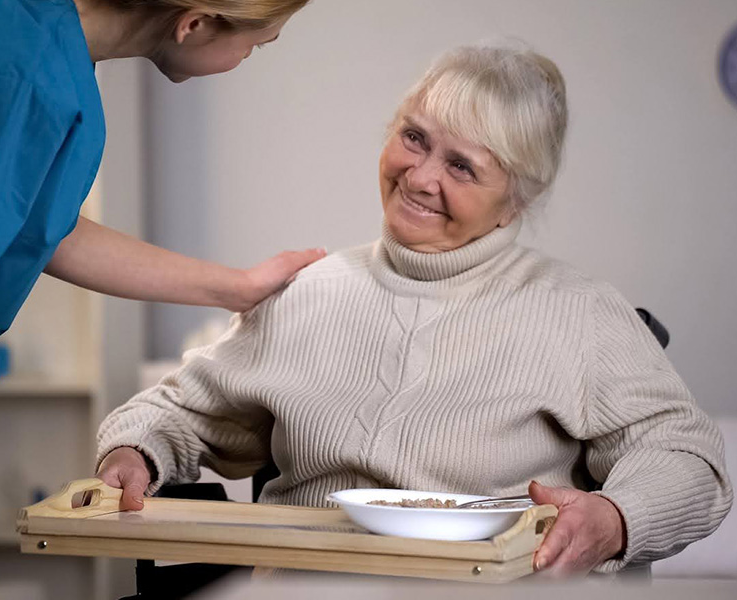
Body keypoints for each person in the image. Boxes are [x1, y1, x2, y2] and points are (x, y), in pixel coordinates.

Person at [96, 44, 733, 578]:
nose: (421, 176)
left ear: (515, 200)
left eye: (461, 165)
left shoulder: (579, 312)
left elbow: (687, 457)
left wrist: (615, 518)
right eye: (413, 138)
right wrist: (134, 452)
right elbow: (179, 412)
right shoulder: (309, 290)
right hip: (309, 588)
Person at [0, 0, 322, 598]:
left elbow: (35, 224)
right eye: (258, 43)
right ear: (194, 22)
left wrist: (237, 285)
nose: (249, 57)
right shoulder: (14, 71)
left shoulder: (27, 35)